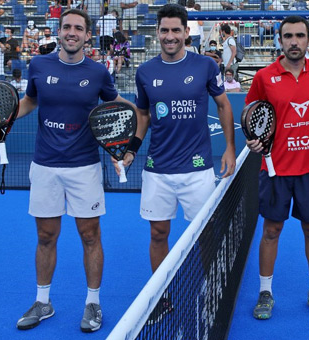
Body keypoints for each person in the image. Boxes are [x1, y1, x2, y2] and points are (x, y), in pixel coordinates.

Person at [0, 8, 136, 333]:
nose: (72, 32)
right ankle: (43, 302)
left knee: (90, 236)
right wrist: (2, 121)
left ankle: (92, 303)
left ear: (88, 35)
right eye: (67, 27)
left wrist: (125, 139)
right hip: (45, 166)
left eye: (78, 28)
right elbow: (30, 102)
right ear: (59, 31)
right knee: (45, 236)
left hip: (84, 167)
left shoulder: (98, 73)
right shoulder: (38, 65)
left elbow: (119, 106)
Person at [119, 3, 236, 320]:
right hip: (157, 171)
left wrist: (229, 147)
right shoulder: (145, 72)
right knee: (158, 234)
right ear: (157, 33)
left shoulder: (206, 66)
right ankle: (162, 295)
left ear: (187, 32)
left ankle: (213, 285)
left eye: (175, 30)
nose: (169, 36)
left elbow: (224, 106)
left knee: (205, 234)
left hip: (198, 170)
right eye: (164, 30)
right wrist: (132, 150)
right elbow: (143, 115)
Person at [245, 15, 309, 321]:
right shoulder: (264, 76)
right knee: (271, 230)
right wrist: (254, 142)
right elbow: (251, 119)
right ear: (279, 40)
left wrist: (304, 128)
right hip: (274, 169)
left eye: (300, 36)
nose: (294, 41)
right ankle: (265, 292)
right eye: (288, 36)